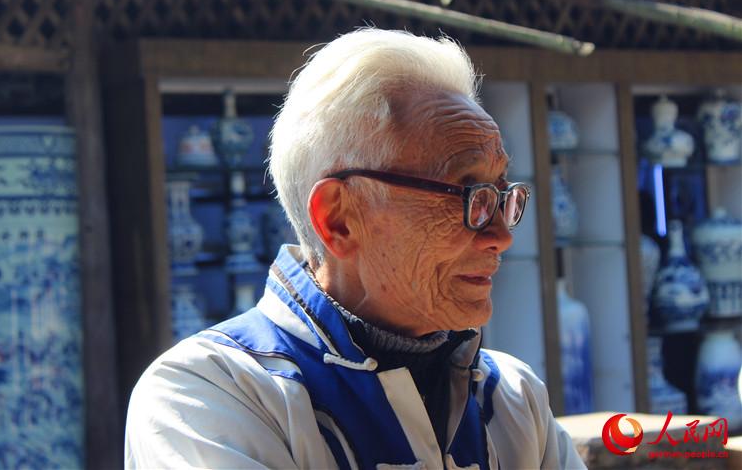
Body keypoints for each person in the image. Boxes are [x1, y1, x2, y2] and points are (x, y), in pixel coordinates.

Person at [125, 28, 586, 469]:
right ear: (339, 219)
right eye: (467, 195)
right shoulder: (208, 394)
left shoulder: (512, 398)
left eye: (502, 197)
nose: (500, 235)